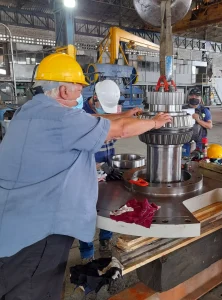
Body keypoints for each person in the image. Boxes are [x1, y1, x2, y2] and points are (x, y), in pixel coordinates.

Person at [0, 53, 172, 300]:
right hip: (39, 229)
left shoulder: (30, 111)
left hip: (14, 219)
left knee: (16, 280)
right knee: (33, 288)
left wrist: (128, 116)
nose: (81, 94)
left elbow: (95, 119)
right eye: (78, 88)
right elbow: (121, 131)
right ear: (63, 90)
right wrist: (155, 123)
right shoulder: (61, 118)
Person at [79, 81, 142, 260]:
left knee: (109, 206)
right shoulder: (80, 115)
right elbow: (78, 151)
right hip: (87, 172)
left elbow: (116, 129)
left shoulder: (110, 111)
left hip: (108, 167)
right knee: (87, 213)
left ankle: (105, 240)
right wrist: (96, 166)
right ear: (95, 98)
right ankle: (87, 252)